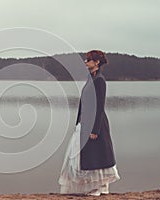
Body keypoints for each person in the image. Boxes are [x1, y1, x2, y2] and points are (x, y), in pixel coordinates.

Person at [58, 50, 120, 196]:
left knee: (96, 157)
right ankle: (98, 187)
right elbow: (84, 102)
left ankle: (99, 188)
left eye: (88, 60)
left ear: (97, 62)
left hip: (95, 125)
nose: (85, 62)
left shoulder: (100, 80)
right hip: (85, 123)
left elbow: (99, 106)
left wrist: (95, 130)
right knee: (89, 156)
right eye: (86, 60)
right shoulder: (90, 78)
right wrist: (78, 122)